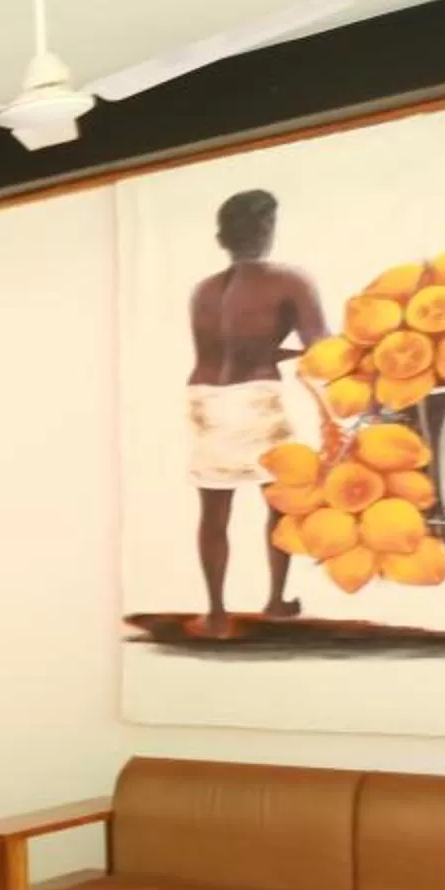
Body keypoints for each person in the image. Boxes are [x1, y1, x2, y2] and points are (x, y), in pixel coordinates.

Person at [184, 189, 326, 637]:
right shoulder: (289, 280)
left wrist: (271, 351)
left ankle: (217, 613)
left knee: (214, 510)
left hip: (205, 399)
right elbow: (321, 345)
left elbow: (222, 348)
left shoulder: (204, 290)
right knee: (279, 503)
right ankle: (276, 601)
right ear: (266, 229)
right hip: (257, 399)